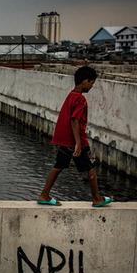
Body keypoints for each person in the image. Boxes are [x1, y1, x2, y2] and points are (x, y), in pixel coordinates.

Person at [38, 65, 112, 207]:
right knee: (91, 168)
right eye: (91, 83)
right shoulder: (80, 99)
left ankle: (44, 194)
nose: (91, 86)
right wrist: (78, 143)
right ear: (84, 81)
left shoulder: (71, 95)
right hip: (77, 141)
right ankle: (97, 198)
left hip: (65, 140)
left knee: (58, 166)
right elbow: (74, 119)